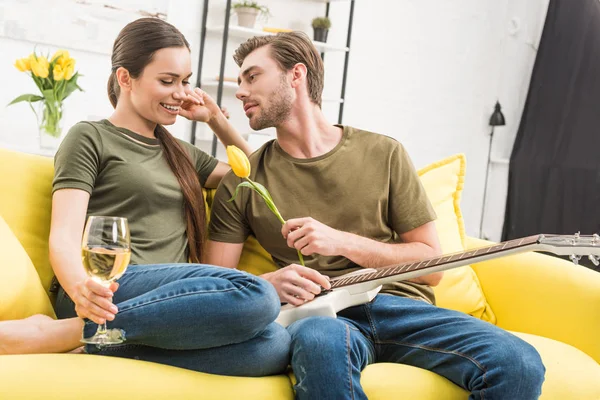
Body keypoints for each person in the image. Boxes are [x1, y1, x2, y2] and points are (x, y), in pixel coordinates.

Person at [205, 31, 546, 398]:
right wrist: (270, 282)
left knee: (519, 362)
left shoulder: (384, 153)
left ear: (296, 75)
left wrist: (342, 241)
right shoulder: (244, 180)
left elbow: (432, 266)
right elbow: (214, 283)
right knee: (320, 344)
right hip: (323, 317)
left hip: (400, 307)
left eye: (252, 76)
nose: (240, 91)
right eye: (240, 80)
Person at [0, 17, 290, 377]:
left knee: (274, 347)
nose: (180, 92)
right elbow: (63, 234)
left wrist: (215, 118)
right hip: (108, 288)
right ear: (125, 78)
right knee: (258, 294)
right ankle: (74, 327)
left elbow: (254, 176)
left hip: (172, 303)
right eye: (167, 81)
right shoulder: (90, 137)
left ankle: (84, 340)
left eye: (184, 81)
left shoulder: (182, 153)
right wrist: (81, 293)